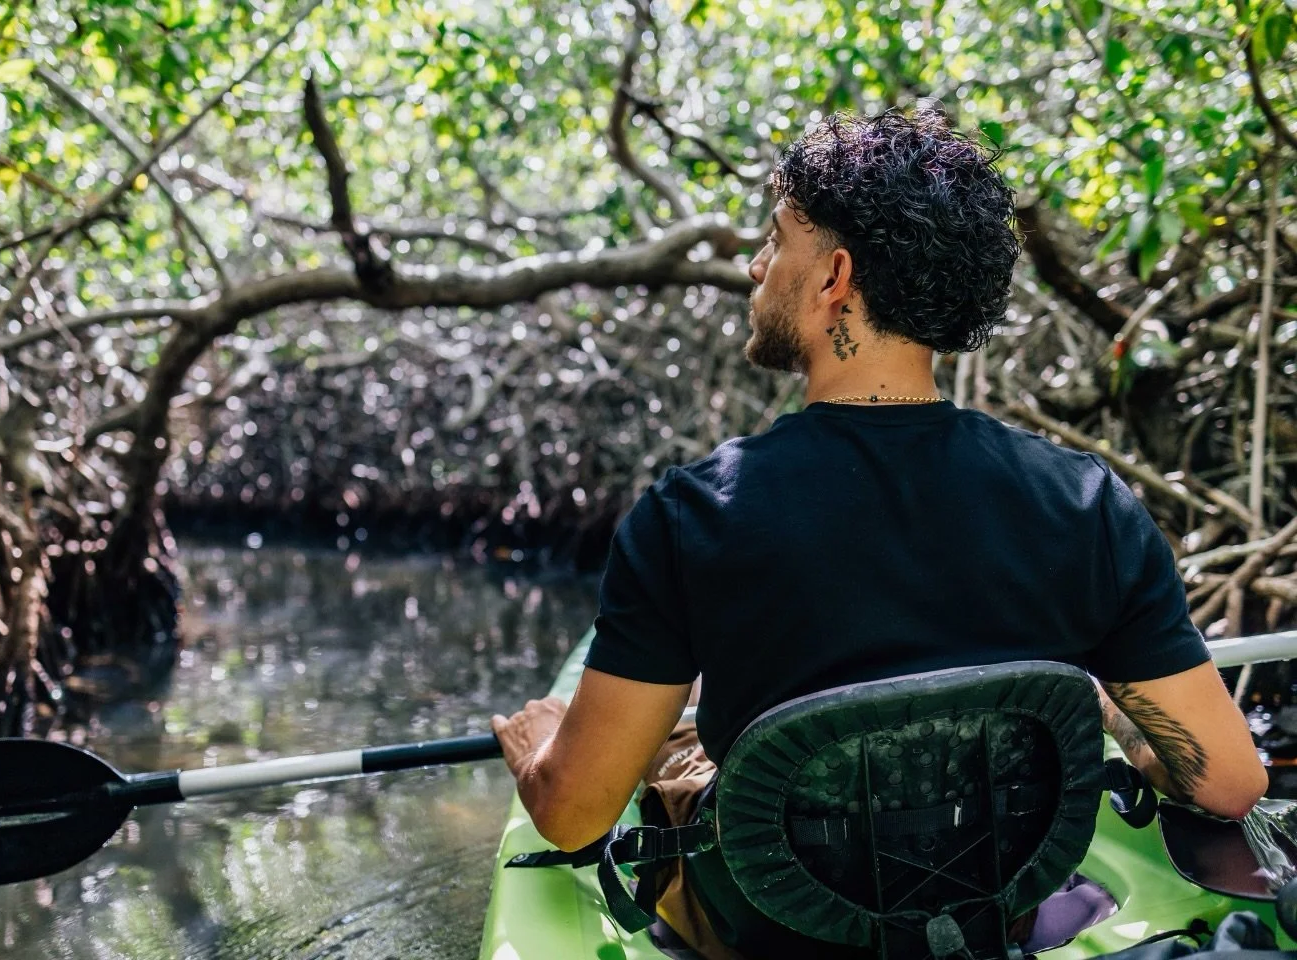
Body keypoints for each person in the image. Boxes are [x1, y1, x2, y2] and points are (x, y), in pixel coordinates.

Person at [489, 109, 1267, 959]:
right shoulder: (1087, 504)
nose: (755, 265)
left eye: (775, 239)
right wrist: (1113, 713)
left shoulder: (689, 515)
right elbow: (1227, 782)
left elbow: (572, 817)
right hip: (983, 913)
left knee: (677, 742)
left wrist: (538, 754)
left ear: (835, 276)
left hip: (770, 924)